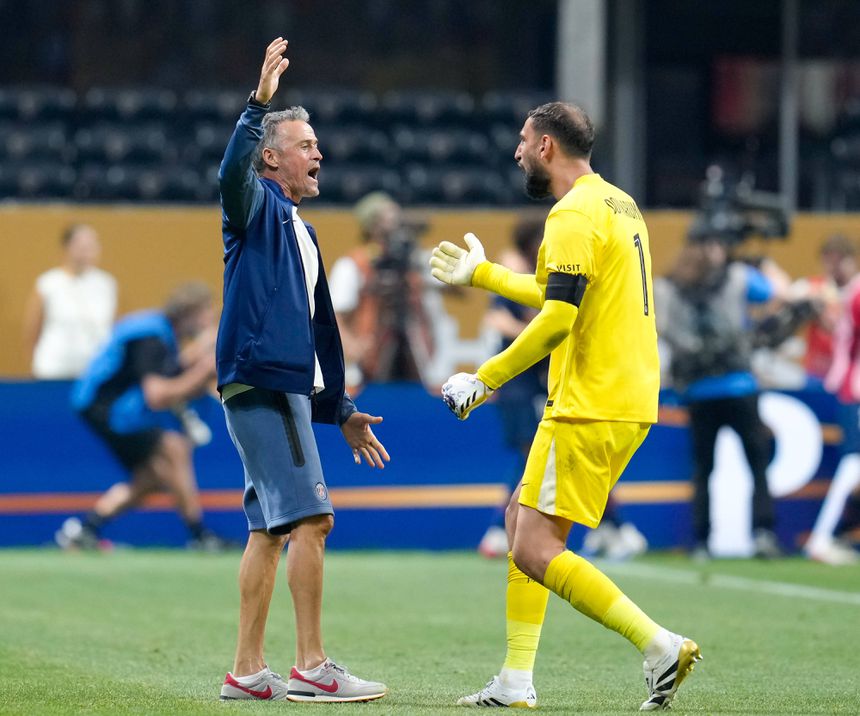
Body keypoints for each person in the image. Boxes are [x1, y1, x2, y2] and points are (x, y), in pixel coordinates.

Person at [430, 102, 701, 711]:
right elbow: (559, 290)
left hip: (588, 398)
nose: (519, 153)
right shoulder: (618, 203)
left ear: (547, 146)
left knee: (532, 548)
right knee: (519, 521)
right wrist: (485, 274)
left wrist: (485, 378)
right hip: (626, 394)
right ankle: (515, 681)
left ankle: (657, 645)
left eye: (525, 142)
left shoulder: (572, 213)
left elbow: (557, 318)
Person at [215, 38, 389, 703]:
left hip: (275, 383)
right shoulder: (255, 204)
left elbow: (315, 336)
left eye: (317, 143)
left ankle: (246, 670)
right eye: (305, 143)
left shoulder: (301, 231)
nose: (319, 153)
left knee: (270, 528)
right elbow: (228, 174)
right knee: (313, 520)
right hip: (264, 383)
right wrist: (257, 104)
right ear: (270, 156)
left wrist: (338, 409)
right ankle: (313, 667)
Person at [55, 282, 227, 551]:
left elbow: (171, 371)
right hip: (106, 408)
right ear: (190, 312)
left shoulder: (160, 332)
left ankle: (84, 530)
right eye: (206, 314)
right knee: (174, 448)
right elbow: (156, 395)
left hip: (106, 406)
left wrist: (200, 361)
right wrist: (204, 370)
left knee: (152, 478)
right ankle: (200, 536)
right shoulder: (153, 337)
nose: (208, 322)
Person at [654, 236, 783, 560]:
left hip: (699, 390)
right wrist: (759, 262)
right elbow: (774, 290)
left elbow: (662, 327)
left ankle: (701, 540)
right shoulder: (736, 276)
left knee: (703, 468)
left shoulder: (669, 287)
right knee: (757, 464)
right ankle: (763, 533)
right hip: (738, 385)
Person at [477, 218, 547, 558]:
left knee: (537, 456)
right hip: (516, 383)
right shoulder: (515, 272)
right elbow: (497, 319)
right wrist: (533, 334)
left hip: (536, 382)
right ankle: (497, 529)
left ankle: (499, 530)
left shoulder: (544, 273)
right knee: (531, 456)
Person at [329, 191, 431, 392]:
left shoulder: (409, 261)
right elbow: (335, 317)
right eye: (389, 219)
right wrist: (354, 349)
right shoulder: (353, 264)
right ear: (372, 225)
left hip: (411, 350)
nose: (396, 225)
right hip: (371, 360)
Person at [805, 263, 860, 565]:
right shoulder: (857, 292)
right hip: (856, 390)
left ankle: (828, 536)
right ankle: (823, 537)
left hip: (851, 386)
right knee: (853, 463)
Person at [23, 223, 117, 379]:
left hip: (92, 371)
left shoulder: (106, 284)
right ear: (66, 247)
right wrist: (32, 363)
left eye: (91, 246)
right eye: (81, 247)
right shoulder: (48, 283)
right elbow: (33, 330)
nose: (86, 253)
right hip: (53, 369)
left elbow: (111, 327)